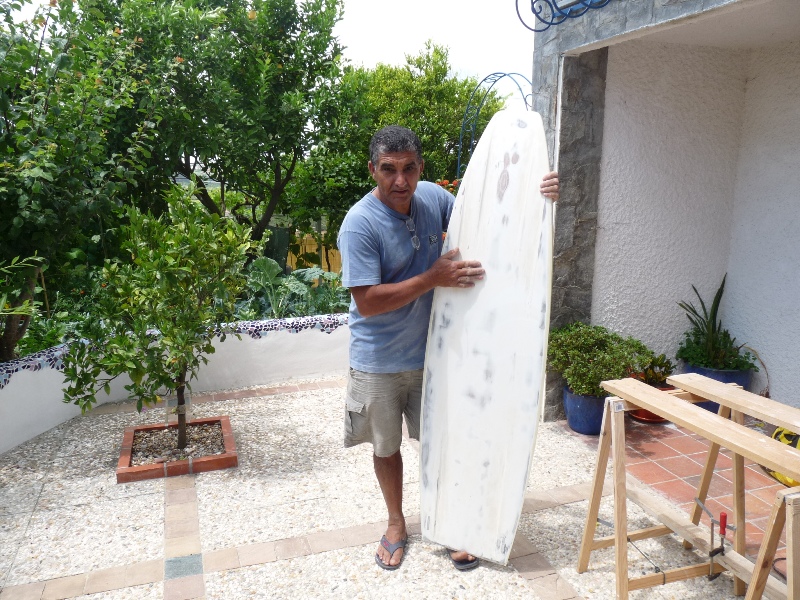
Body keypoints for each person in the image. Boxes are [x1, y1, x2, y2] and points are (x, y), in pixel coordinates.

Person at [337, 125, 559, 571]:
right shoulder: (360, 223)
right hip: (378, 359)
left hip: (436, 355)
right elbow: (368, 301)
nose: (400, 180)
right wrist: (431, 279)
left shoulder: (435, 200)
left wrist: (537, 194)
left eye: (409, 168)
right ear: (373, 170)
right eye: (389, 169)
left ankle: (455, 522)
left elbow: (487, 221)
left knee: (445, 439)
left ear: (421, 167)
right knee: (386, 447)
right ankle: (396, 524)